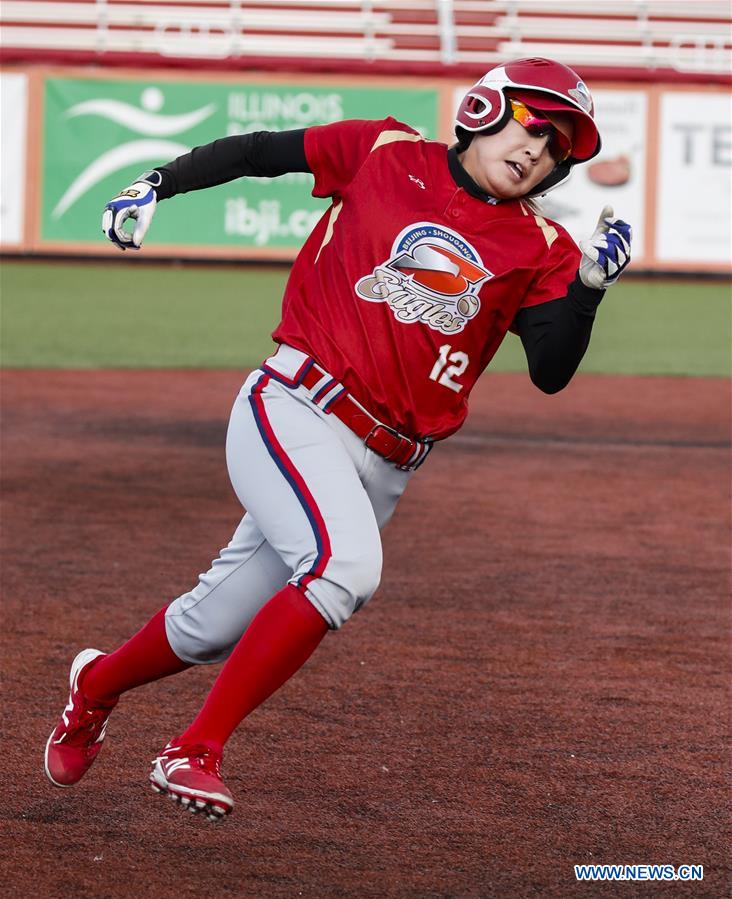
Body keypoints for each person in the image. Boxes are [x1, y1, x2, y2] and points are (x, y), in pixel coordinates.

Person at [44, 57, 632, 822]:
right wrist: (158, 181)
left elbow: (551, 370)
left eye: (558, 145)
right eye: (533, 124)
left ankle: (94, 687)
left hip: (386, 465)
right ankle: (194, 748)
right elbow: (258, 150)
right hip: (295, 405)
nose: (539, 150)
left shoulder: (542, 246)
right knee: (342, 567)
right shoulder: (386, 150)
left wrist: (587, 290)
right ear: (488, 106)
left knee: (208, 626)